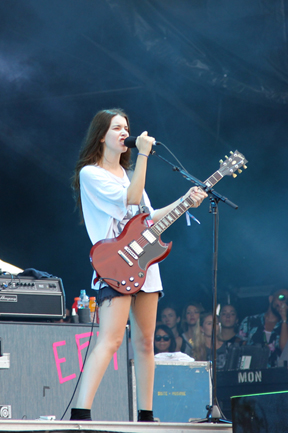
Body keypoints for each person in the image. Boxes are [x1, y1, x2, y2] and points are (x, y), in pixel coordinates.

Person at [70, 108, 207, 421]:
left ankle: (146, 414)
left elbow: (148, 216)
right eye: (117, 127)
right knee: (112, 338)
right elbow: (129, 202)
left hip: (145, 263)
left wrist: (185, 200)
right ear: (101, 135)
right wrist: (143, 154)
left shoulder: (131, 177)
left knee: (145, 341)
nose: (124, 132)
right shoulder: (91, 174)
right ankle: (81, 413)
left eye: (126, 127)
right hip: (115, 262)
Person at [239, 289, 288, 368]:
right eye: (281, 297)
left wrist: (284, 320)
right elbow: (238, 349)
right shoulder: (250, 321)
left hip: (277, 375)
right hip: (252, 375)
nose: (283, 303)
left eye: (287, 301)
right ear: (271, 299)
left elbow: (286, 349)